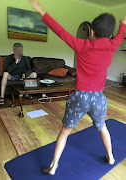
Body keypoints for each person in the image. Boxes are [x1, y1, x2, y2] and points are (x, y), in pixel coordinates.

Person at [29, 0, 126, 175]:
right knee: (102, 127)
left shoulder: (81, 45)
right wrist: (123, 23)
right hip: (98, 98)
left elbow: (60, 31)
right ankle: (111, 157)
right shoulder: (112, 46)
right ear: (109, 35)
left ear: (92, 32)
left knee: (65, 131)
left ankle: (53, 166)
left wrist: (41, 11)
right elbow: (121, 34)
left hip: (80, 97)